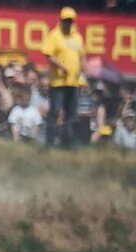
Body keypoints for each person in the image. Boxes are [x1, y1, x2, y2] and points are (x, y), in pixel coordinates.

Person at [41, 6, 84, 147]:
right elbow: (48, 53)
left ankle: (67, 143)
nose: (68, 23)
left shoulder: (77, 36)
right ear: (60, 20)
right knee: (54, 112)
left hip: (73, 82)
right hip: (58, 82)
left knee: (71, 114)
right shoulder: (55, 35)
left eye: (70, 20)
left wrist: (82, 76)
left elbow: (81, 58)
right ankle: (50, 142)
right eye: (65, 20)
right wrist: (61, 66)